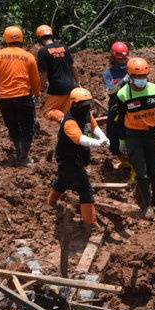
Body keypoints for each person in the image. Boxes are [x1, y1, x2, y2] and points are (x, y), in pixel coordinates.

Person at [108, 56, 155, 217]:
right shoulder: (123, 95)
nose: (141, 80)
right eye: (137, 77)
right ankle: (146, 205)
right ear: (130, 77)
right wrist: (121, 141)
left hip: (151, 135)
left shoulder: (154, 90)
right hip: (133, 136)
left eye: (143, 76)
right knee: (142, 172)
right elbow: (119, 120)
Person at [48, 88, 109, 228]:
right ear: (74, 104)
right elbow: (80, 139)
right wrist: (97, 143)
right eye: (83, 105)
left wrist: (103, 137)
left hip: (79, 157)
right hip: (68, 159)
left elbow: (93, 126)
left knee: (62, 181)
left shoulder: (86, 113)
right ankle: (90, 223)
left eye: (89, 104)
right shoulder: (70, 121)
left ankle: (50, 205)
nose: (87, 108)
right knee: (85, 189)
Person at [0, 26, 40, 166]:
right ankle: (23, 157)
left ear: (6, 39)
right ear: (21, 38)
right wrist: (37, 94)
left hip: (4, 98)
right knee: (28, 127)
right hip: (23, 96)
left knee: (13, 126)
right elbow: (35, 79)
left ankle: (19, 151)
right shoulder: (28, 56)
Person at [35, 24, 79, 119]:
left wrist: (39, 89)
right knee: (66, 112)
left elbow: (43, 73)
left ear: (40, 38)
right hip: (70, 86)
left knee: (48, 112)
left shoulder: (43, 52)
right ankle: (68, 127)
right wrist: (77, 82)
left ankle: (64, 121)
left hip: (57, 88)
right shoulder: (64, 47)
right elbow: (73, 66)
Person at [102, 41, 130, 158]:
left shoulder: (131, 69)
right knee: (114, 138)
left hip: (130, 107)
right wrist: (123, 81)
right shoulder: (108, 74)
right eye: (120, 59)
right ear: (113, 58)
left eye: (124, 59)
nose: (123, 62)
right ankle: (122, 160)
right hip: (115, 109)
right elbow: (111, 91)